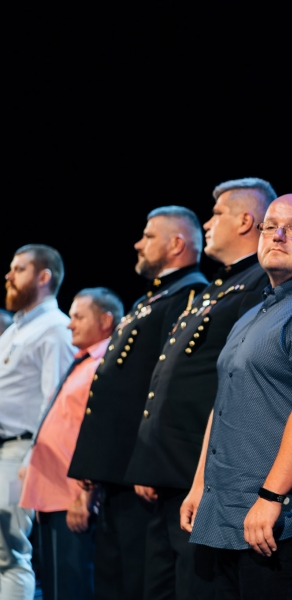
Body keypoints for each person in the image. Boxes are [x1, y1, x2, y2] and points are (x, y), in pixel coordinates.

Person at [181, 193, 292, 599]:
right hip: (224, 513)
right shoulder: (255, 313)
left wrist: (272, 495)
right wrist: (200, 484)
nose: (278, 236)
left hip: (277, 522)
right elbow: (224, 402)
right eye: (270, 226)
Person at [124, 178, 275, 600]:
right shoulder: (216, 288)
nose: (207, 223)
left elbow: (236, 386)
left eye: (217, 214)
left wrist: (201, 475)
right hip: (172, 470)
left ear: (245, 220)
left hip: (203, 470)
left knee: (195, 588)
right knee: (159, 587)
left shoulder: (258, 283)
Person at [68, 207, 208, 600]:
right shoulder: (154, 298)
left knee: (138, 582)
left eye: (148, 236)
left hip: (141, 471)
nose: (137, 244)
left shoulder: (188, 296)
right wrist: (94, 464)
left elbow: (164, 390)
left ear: (176, 244)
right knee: (112, 581)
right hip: (119, 468)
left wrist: (150, 462)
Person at [20, 287, 123, 600]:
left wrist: (86, 494)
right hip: (51, 494)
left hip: (73, 496)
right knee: (55, 586)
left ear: (105, 321)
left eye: (78, 317)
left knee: (73, 586)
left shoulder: (107, 363)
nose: (70, 324)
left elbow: (101, 432)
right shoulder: (82, 361)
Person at [0, 244, 75, 598]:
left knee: (9, 553)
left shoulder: (55, 328)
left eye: (19, 269)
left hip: (19, 453)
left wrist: (33, 458)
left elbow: (55, 400)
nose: (9, 276)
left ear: (43, 277)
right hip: (5, 449)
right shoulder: (15, 329)